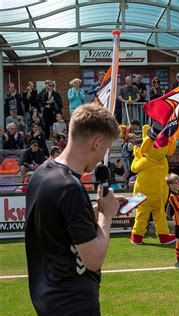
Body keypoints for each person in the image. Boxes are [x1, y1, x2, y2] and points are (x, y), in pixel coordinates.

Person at [25, 103, 123, 315]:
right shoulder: (70, 188)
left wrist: (94, 210)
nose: (101, 158)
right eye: (105, 149)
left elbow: (58, 224)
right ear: (97, 143)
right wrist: (106, 217)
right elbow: (94, 260)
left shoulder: (43, 172)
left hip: (47, 297)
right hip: (72, 302)